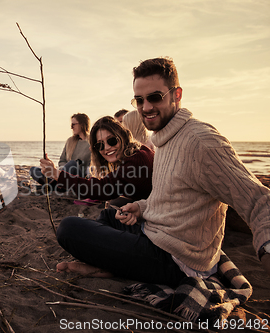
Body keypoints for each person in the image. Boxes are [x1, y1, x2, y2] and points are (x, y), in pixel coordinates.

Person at [56, 57, 270, 288]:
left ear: (176, 95)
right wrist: (140, 208)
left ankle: (111, 266)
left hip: (176, 259)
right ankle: (110, 266)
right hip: (154, 233)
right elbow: (168, 198)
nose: (146, 107)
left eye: (155, 97)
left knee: (69, 228)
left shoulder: (202, 141)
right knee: (109, 215)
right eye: (139, 100)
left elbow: (258, 201)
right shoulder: (163, 140)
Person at [40, 116, 154, 275]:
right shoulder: (137, 153)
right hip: (148, 225)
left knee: (68, 228)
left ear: (122, 135)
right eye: (100, 145)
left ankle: (107, 266)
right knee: (108, 215)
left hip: (155, 241)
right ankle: (104, 263)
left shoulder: (137, 159)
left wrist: (58, 175)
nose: (106, 147)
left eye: (111, 140)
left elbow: (101, 189)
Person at [30, 113, 91, 192]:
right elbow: (62, 160)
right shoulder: (70, 141)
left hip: (79, 177)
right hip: (62, 175)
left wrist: (77, 165)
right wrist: (56, 170)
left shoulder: (91, 142)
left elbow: (93, 166)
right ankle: (54, 185)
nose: (71, 127)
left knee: (72, 164)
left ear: (82, 124)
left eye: (73, 124)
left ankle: (51, 186)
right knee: (34, 170)